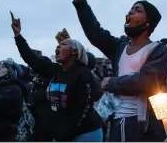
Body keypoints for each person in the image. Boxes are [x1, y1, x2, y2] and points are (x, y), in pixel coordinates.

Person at [65, 0, 167, 141]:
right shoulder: (120, 47)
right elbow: (95, 33)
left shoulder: (159, 50)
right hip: (115, 123)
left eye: (137, 10)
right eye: (130, 9)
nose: (129, 13)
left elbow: (146, 82)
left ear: (147, 22)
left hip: (144, 129)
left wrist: (111, 83)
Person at [10, 12, 103, 141]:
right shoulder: (55, 70)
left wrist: (65, 133)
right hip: (63, 134)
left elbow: (84, 109)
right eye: (58, 45)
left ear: (74, 51)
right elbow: (32, 60)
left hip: (85, 132)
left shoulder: (83, 74)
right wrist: (18, 35)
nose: (57, 47)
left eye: (63, 45)